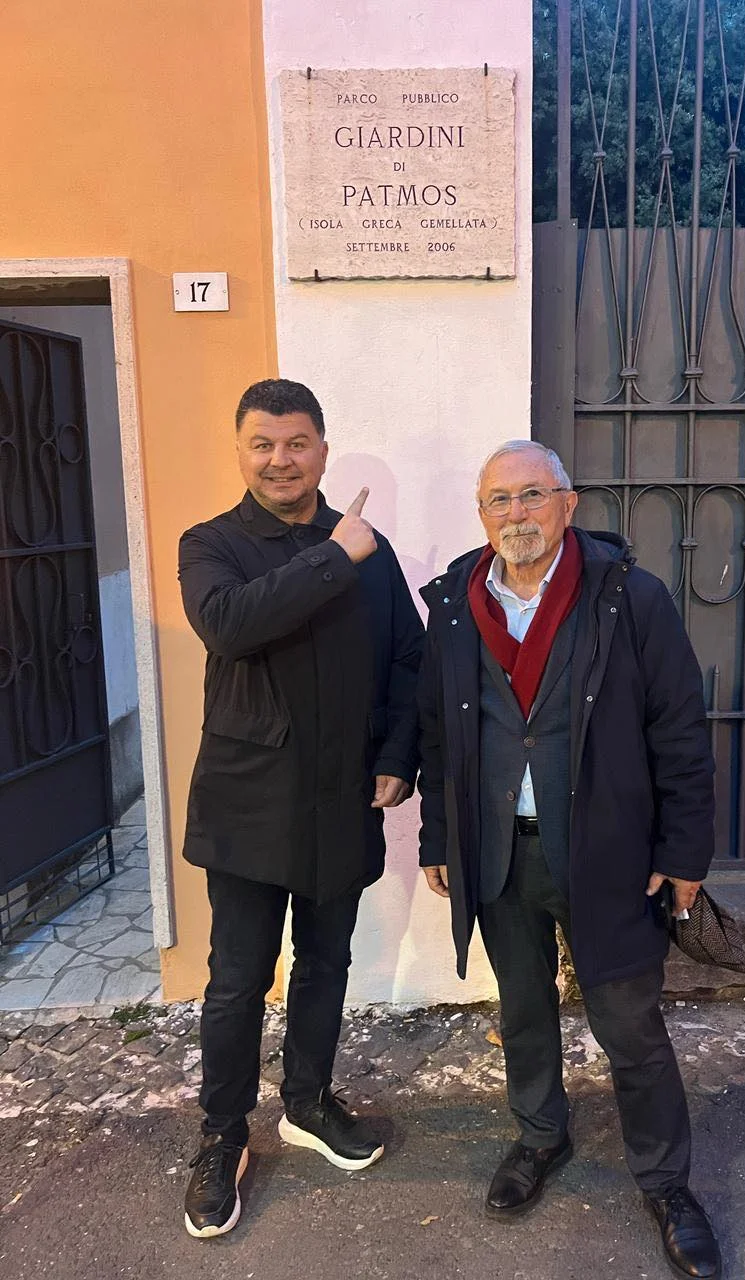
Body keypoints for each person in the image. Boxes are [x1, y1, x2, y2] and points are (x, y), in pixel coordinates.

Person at [417, 441, 721, 1279]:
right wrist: (439, 837)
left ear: (568, 502)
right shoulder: (454, 605)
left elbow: (679, 728)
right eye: (499, 499)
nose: (516, 513)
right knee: (523, 1010)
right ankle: (540, 1135)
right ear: (482, 513)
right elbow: (441, 734)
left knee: (630, 1026)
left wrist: (683, 849)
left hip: (607, 854)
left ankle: (667, 1183)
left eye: (532, 494)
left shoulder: (629, 598)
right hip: (498, 853)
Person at [177, 379, 423, 1238]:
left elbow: (409, 659)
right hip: (248, 805)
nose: (280, 460)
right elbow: (229, 625)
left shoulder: (369, 550)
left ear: (322, 447)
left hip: (340, 798)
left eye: (296, 443)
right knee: (238, 980)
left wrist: (396, 758)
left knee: (326, 964)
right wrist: (333, 557)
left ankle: (308, 1103)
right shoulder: (211, 544)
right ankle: (222, 1134)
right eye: (263, 444)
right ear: (240, 451)